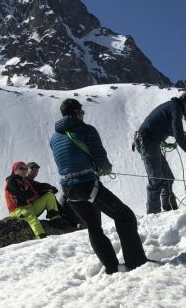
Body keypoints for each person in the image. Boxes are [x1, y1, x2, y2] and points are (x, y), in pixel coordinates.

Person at [49, 98, 150, 274]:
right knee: (125, 217)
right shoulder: (86, 129)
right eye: (82, 112)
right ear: (77, 112)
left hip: (69, 190)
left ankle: (112, 268)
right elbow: (100, 157)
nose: (83, 115)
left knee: (93, 227)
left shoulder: (54, 137)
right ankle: (136, 262)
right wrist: (105, 168)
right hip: (87, 184)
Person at [134, 90, 186, 213]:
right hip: (147, 142)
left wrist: (177, 134)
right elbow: (179, 136)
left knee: (168, 178)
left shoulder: (173, 107)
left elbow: (164, 128)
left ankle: (171, 211)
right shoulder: (175, 108)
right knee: (156, 179)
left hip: (150, 142)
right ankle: (153, 215)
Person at [4, 161, 61, 239]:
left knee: (49, 196)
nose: (24, 170)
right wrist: (31, 194)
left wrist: (48, 189)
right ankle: (41, 237)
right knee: (31, 217)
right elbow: (20, 194)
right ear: (15, 170)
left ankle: (55, 219)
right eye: (21, 168)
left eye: (25, 169)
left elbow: (36, 190)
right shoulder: (11, 180)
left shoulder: (25, 181)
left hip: (30, 207)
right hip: (17, 210)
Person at [26, 161, 84, 229]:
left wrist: (47, 189)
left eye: (37, 169)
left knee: (56, 195)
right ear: (26, 170)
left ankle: (66, 218)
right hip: (26, 210)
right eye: (33, 168)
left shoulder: (35, 183)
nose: (35, 171)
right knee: (50, 196)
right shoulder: (23, 182)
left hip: (33, 208)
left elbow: (54, 189)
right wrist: (43, 192)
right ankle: (61, 218)